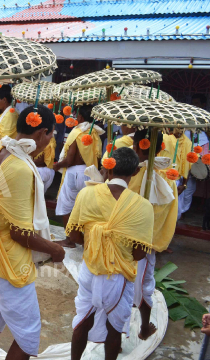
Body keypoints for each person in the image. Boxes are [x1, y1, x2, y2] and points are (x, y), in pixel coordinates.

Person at [0, 106, 65, 360]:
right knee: (28, 338)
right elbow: (19, 233)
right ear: (43, 133)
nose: (50, 142)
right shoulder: (20, 166)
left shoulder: (3, 149)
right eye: (51, 136)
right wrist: (53, 249)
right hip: (9, 268)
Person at [67, 147, 154, 360]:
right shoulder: (143, 206)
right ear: (135, 173)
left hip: (90, 270)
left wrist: (96, 245)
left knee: (82, 321)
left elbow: (75, 237)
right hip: (119, 277)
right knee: (114, 327)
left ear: (108, 168)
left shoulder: (87, 193)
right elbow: (139, 254)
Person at [129, 129, 178, 341]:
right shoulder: (169, 180)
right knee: (141, 286)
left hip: (127, 242)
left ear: (137, 146)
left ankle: (135, 329)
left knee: (129, 286)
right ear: (160, 148)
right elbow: (168, 216)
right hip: (144, 243)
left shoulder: (128, 173)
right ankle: (142, 328)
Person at [54, 105, 104, 247]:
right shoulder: (95, 133)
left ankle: (70, 240)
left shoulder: (77, 132)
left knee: (66, 207)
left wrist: (58, 165)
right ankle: (86, 241)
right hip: (89, 173)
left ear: (80, 117)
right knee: (86, 208)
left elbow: (69, 160)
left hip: (74, 173)